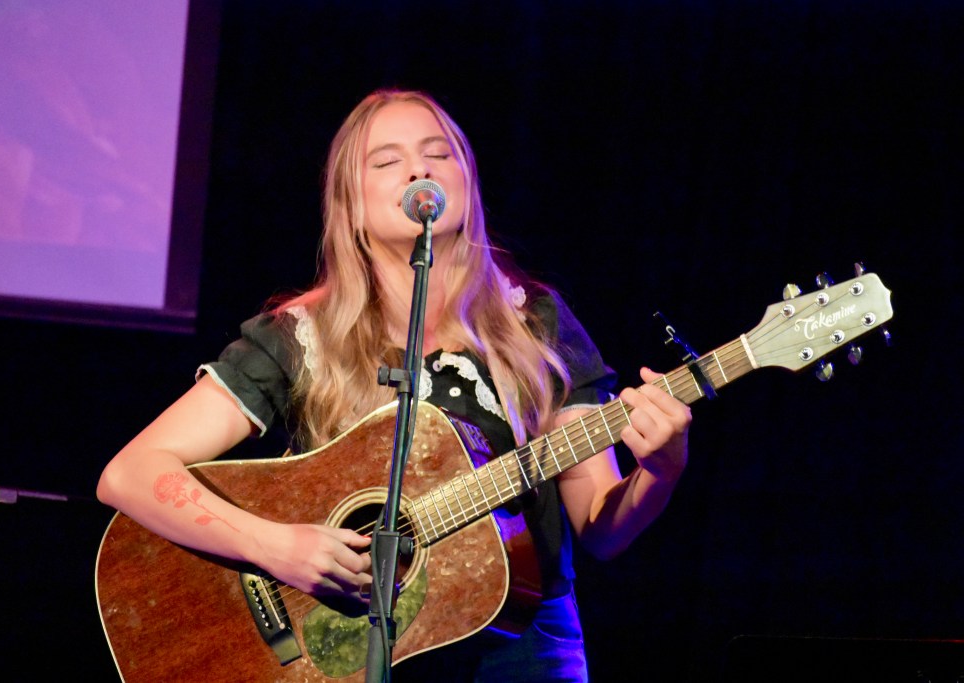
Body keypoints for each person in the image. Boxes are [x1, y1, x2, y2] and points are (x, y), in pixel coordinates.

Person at [96, 88, 692, 682]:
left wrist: (659, 471)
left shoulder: (537, 324)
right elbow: (131, 473)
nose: (418, 168)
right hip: (345, 653)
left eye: (439, 154)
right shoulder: (299, 336)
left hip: (521, 651)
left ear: (466, 182)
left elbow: (602, 528)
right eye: (386, 160)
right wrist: (273, 546)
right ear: (350, 203)